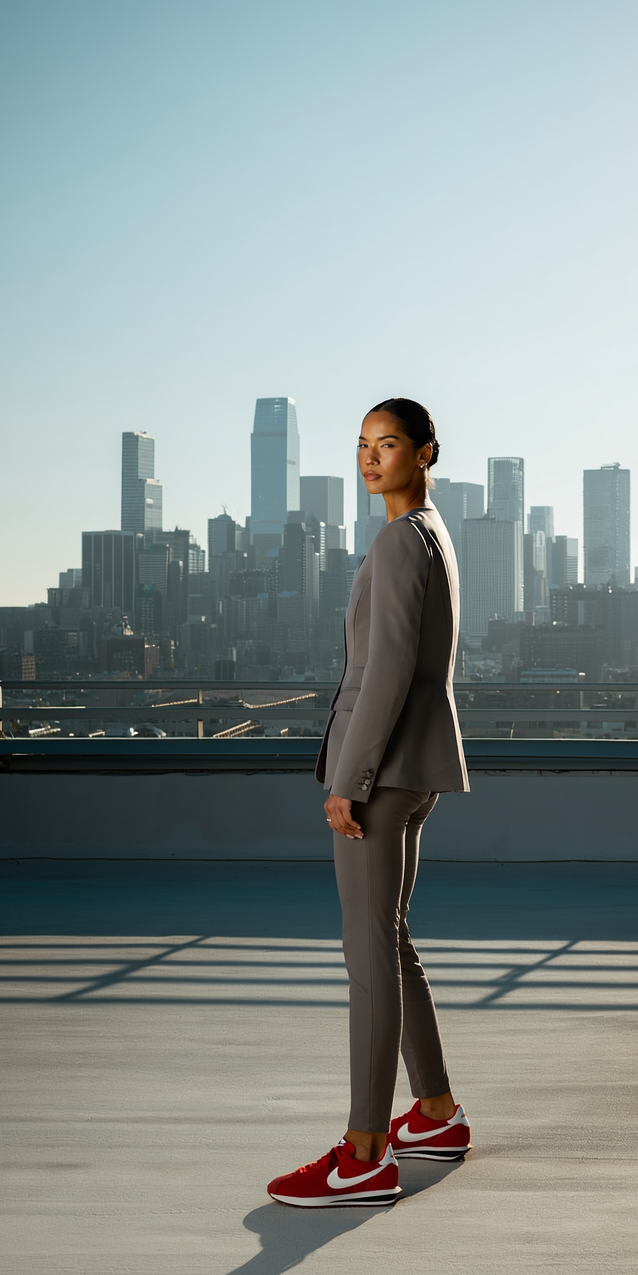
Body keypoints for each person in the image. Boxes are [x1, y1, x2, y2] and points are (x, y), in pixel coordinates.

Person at [267, 398, 472, 1207]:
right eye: (362, 445)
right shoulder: (433, 534)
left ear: (426, 452)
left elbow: (384, 670)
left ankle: (363, 1153)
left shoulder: (397, 542)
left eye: (387, 445)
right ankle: (435, 1112)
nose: (370, 457)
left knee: (367, 956)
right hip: (417, 765)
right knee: (391, 942)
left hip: (380, 773)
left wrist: (348, 780)